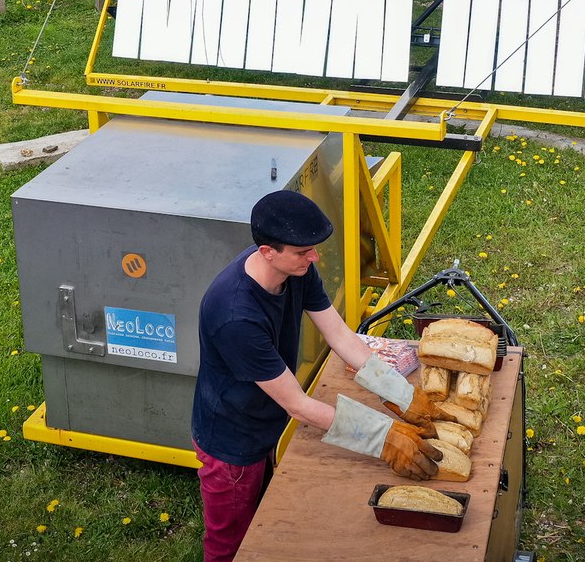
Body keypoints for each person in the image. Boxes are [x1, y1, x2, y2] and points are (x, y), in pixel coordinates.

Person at [191, 190, 451, 562]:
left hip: (264, 418)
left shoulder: (295, 267)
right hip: (232, 441)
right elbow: (298, 404)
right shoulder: (235, 316)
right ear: (267, 251)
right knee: (231, 542)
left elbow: (341, 335)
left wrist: (399, 392)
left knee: (265, 515)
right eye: (302, 252)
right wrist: (383, 438)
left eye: (312, 249)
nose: (313, 258)